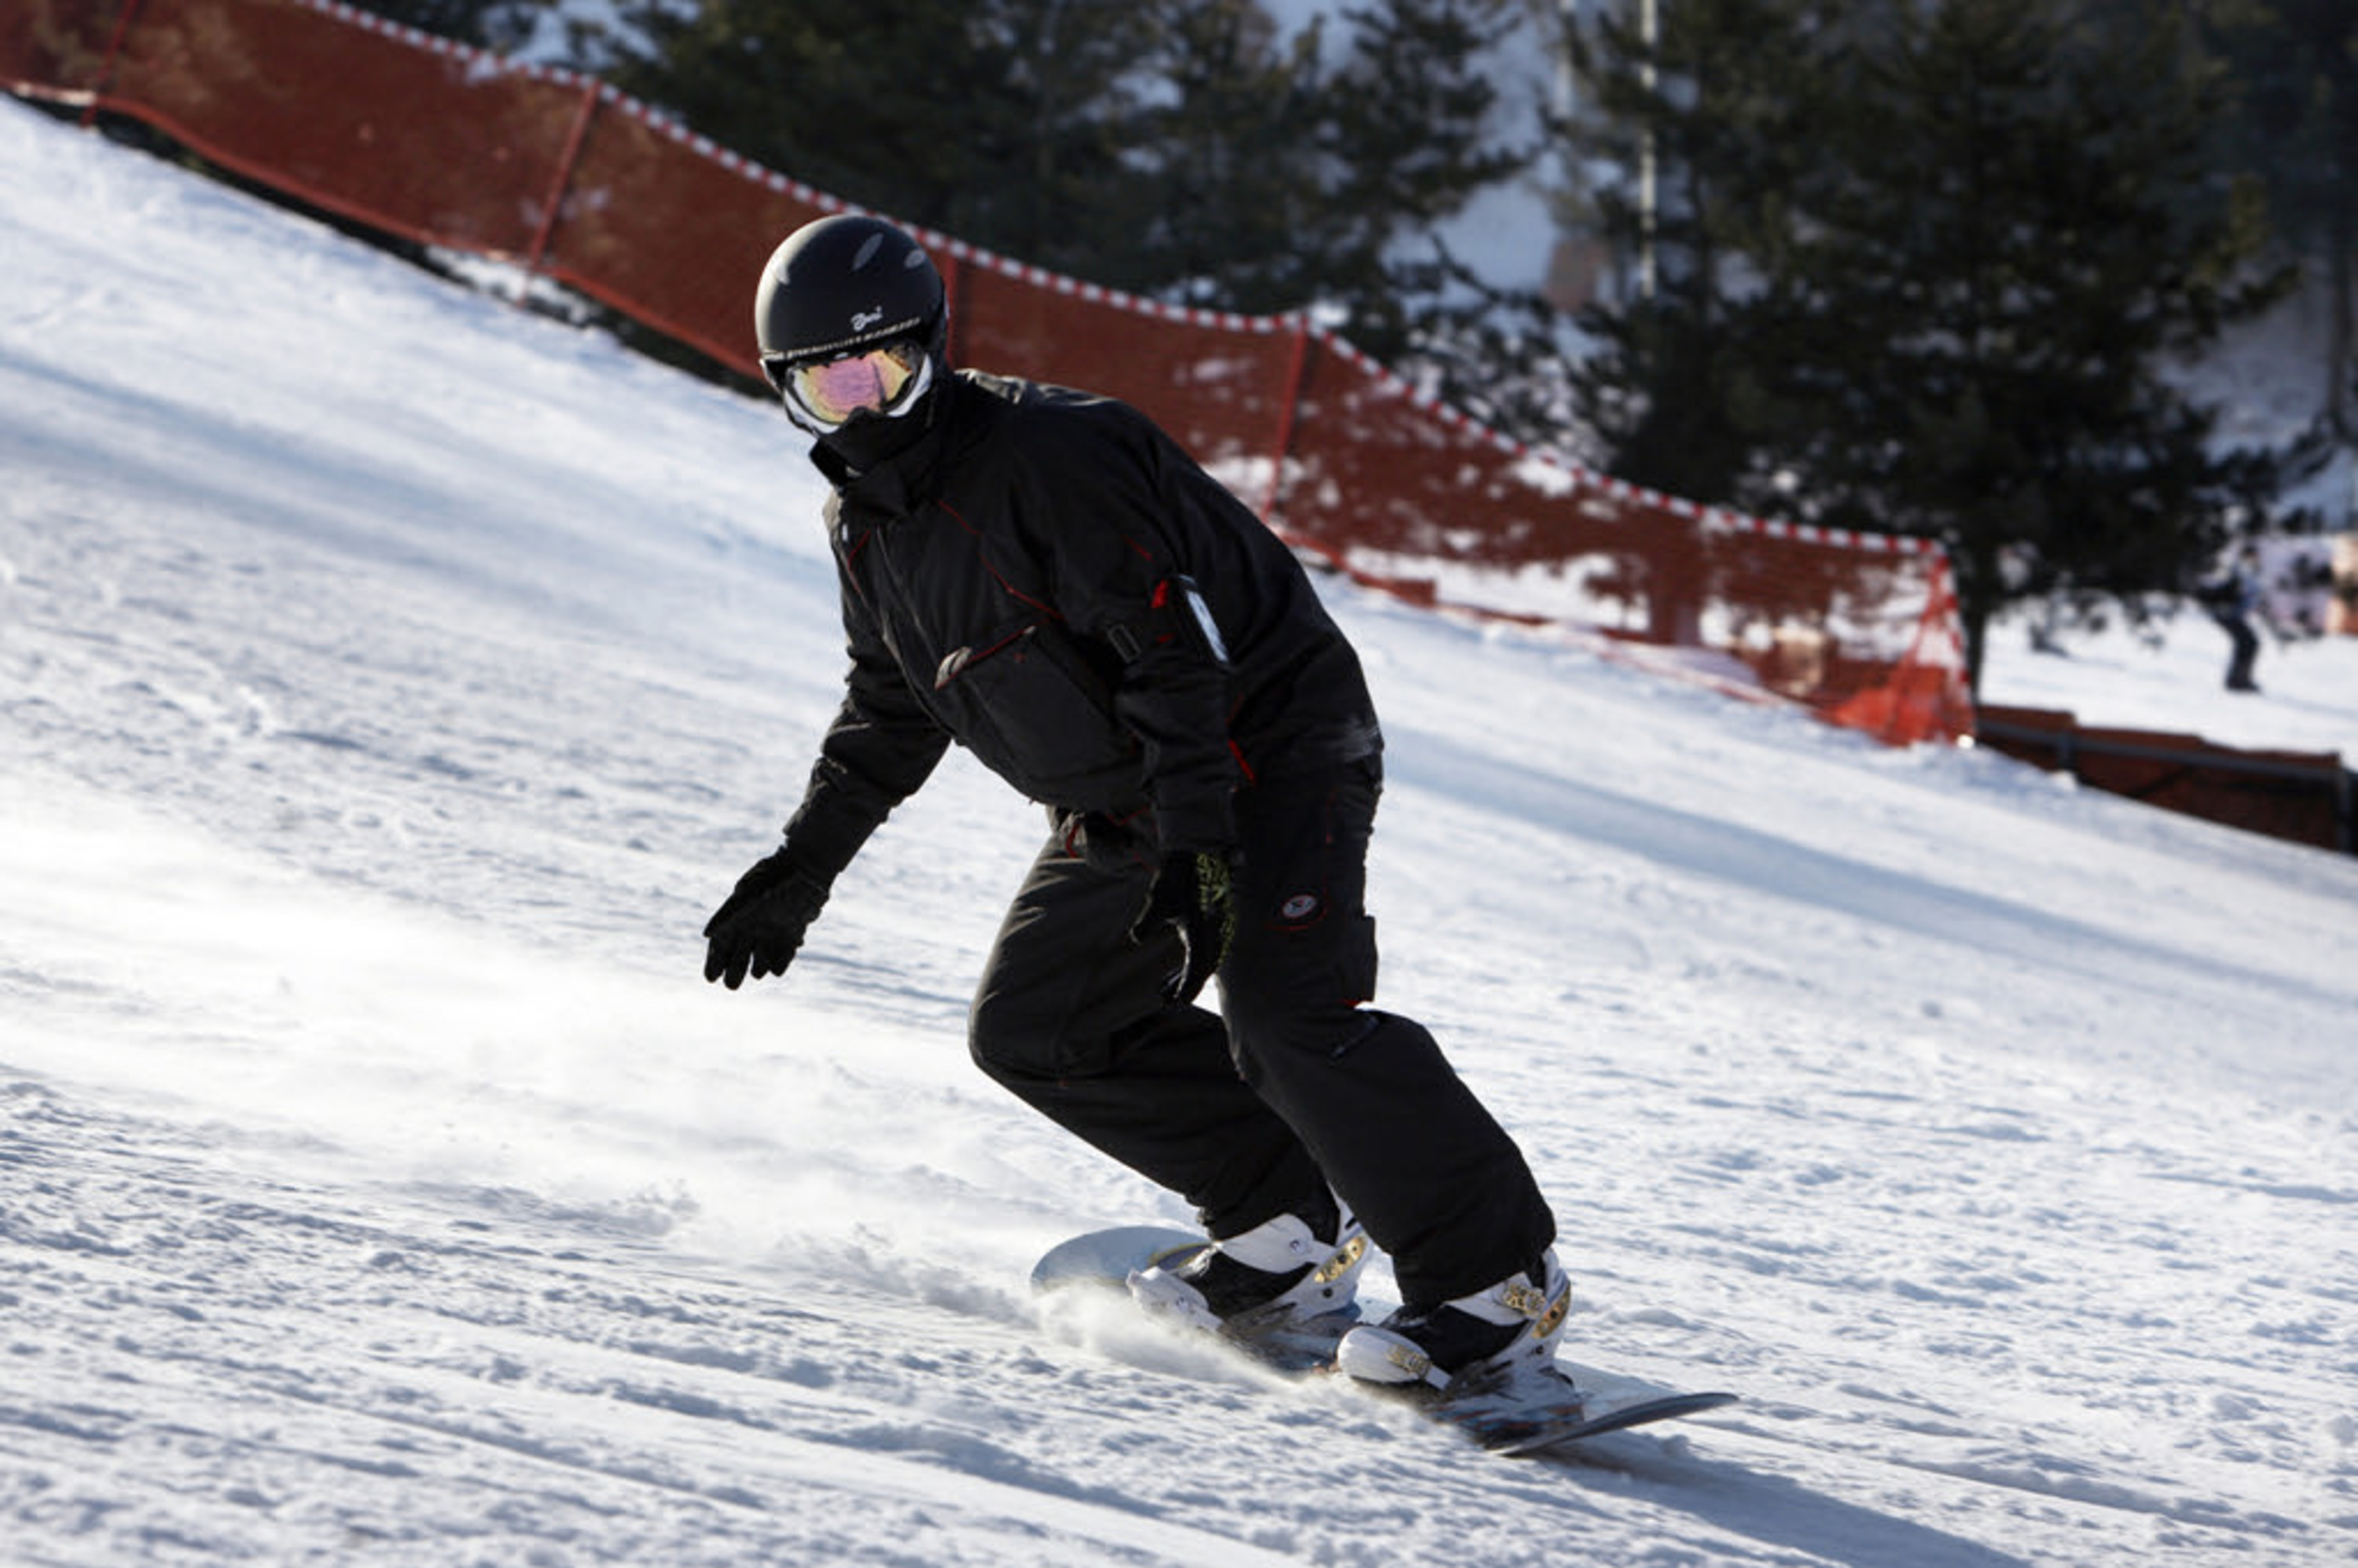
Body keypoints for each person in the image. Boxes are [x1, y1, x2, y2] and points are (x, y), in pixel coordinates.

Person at [701, 213, 1566, 1394]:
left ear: (932, 349)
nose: (862, 406)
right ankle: (1285, 1222)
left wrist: (1201, 853)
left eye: (883, 371)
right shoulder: (866, 525)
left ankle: (1498, 1283)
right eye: (829, 384)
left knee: (1285, 1013)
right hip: (1126, 793)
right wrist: (801, 868)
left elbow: (1175, 661)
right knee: (1039, 1027)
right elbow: (891, 705)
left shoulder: (1051, 457)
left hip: (1269, 751)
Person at [2201, 544, 2264, 693]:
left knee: (2248, 644)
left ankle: (2239, 679)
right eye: (2252, 556)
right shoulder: (2239, 570)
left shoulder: (2248, 571)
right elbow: (2226, 588)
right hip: (2227, 613)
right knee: (2249, 643)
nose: (2255, 559)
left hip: (2233, 614)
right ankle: (2238, 680)